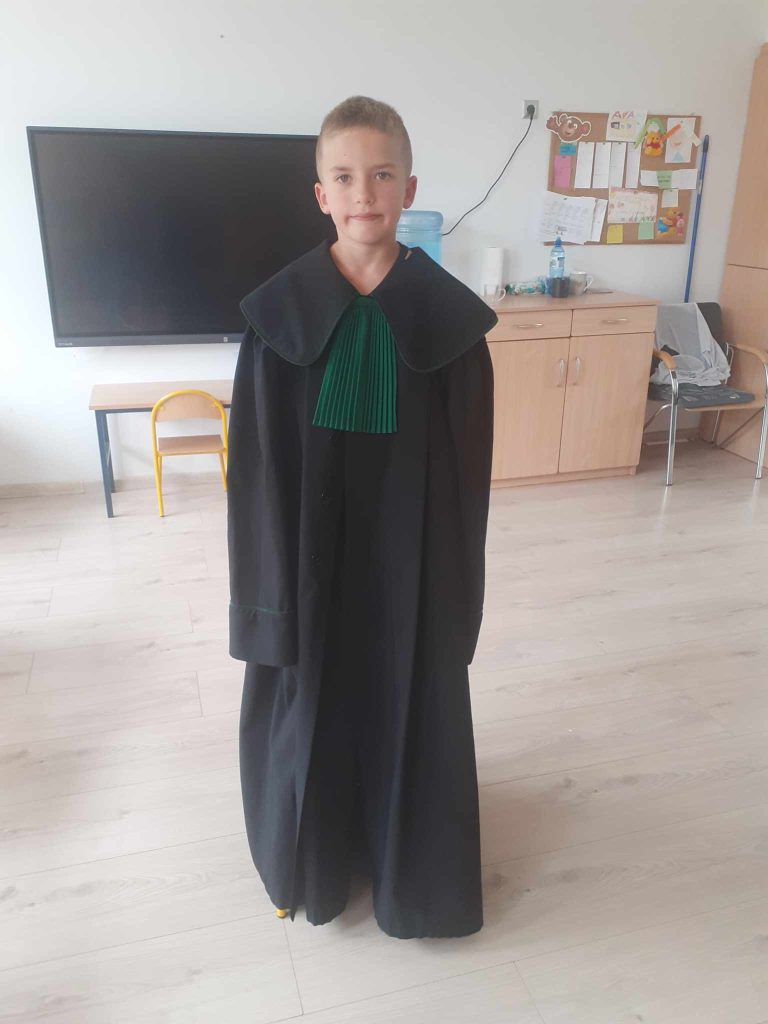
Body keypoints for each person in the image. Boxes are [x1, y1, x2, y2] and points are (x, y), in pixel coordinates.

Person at [227, 95, 498, 939]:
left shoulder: (452, 328)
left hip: (413, 568)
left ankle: (409, 871)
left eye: (382, 175)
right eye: (344, 177)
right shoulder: (275, 322)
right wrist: (265, 603)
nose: (364, 193)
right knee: (313, 701)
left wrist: (455, 599)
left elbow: (469, 481)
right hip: (307, 566)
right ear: (321, 194)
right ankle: (316, 859)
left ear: (408, 188)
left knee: (408, 694)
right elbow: (255, 480)